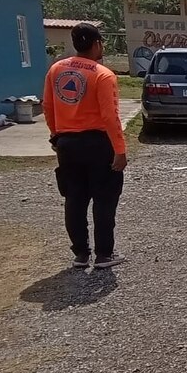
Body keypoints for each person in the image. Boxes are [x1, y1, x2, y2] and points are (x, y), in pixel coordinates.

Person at [44, 22, 127, 269]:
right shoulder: (102, 74)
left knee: (74, 198)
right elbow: (110, 116)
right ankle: (104, 254)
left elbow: (47, 107)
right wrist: (120, 150)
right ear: (97, 44)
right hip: (98, 143)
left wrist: (56, 136)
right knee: (104, 199)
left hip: (67, 143)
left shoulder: (56, 70)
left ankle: (81, 254)